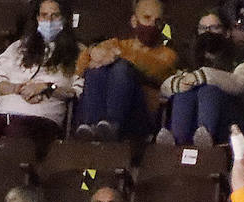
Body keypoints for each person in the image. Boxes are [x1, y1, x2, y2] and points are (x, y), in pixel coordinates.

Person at [0, 0, 82, 143]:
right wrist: (16, 88)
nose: (49, 20)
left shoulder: (78, 52)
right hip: (4, 112)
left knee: (16, 130)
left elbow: (76, 92)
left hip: (42, 119)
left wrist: (47, 88)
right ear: (37, 18)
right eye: (44, 15)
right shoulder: (18, 47)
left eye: (55, 16)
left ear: (64, 18)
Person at [73, 0, 178, 141]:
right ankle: (91, 124)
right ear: (134, 21)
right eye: (147, 18)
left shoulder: (167, 54)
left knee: (122, 67)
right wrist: (93, 52)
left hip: (139, 117)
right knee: (96, 68)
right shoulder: (118, 44)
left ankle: (112, 123)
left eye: (158, 21)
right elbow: (80, 67)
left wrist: (116, 55)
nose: (153, 24)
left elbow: (156, 69)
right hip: (99, 116)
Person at [157, 9, 244, 148]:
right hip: (192, 119)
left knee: (208, 90)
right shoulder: (189, 58)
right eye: (203, 28)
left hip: (228, 119)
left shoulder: (240, 56)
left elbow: (241, 83)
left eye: (214, 27)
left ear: (226, 32)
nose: (208, 32)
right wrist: (180, 83)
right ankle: (176, 140)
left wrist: (202, 76)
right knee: (184, 93)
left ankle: (205, 135)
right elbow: (164, 87)